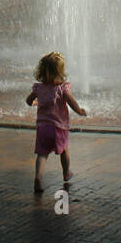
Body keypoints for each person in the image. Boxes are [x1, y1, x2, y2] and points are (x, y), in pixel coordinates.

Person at [25, 51, 86, 195]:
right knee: (64, 150)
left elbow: (28, 101)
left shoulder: (39, 88)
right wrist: (80, 111)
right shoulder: (62, 88)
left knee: (42, 154)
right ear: (61, 71)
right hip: (59, 128)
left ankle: (38, 178)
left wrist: (34, 101)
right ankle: (66, 173)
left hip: (42, 128)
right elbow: (72, 103)